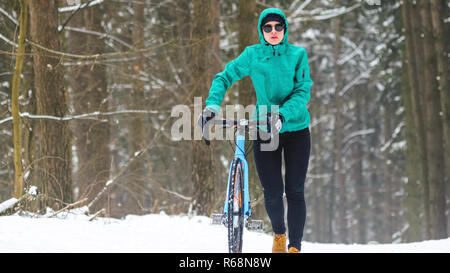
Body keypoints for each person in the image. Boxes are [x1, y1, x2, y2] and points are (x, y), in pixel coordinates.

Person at [200, 8, 313, 253]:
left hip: (296, 130)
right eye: (267, 27)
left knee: (294, 190)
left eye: (278, 27)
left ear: (285, 29)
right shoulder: (253, 54)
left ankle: (294, 247)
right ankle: (280, 236)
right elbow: (224, 77)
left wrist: (282, 114)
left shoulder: (297, 55)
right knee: (272, 192)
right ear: (262, 31)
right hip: (263, 129)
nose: (273, 31)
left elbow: (303, 91)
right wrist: (211, 106)